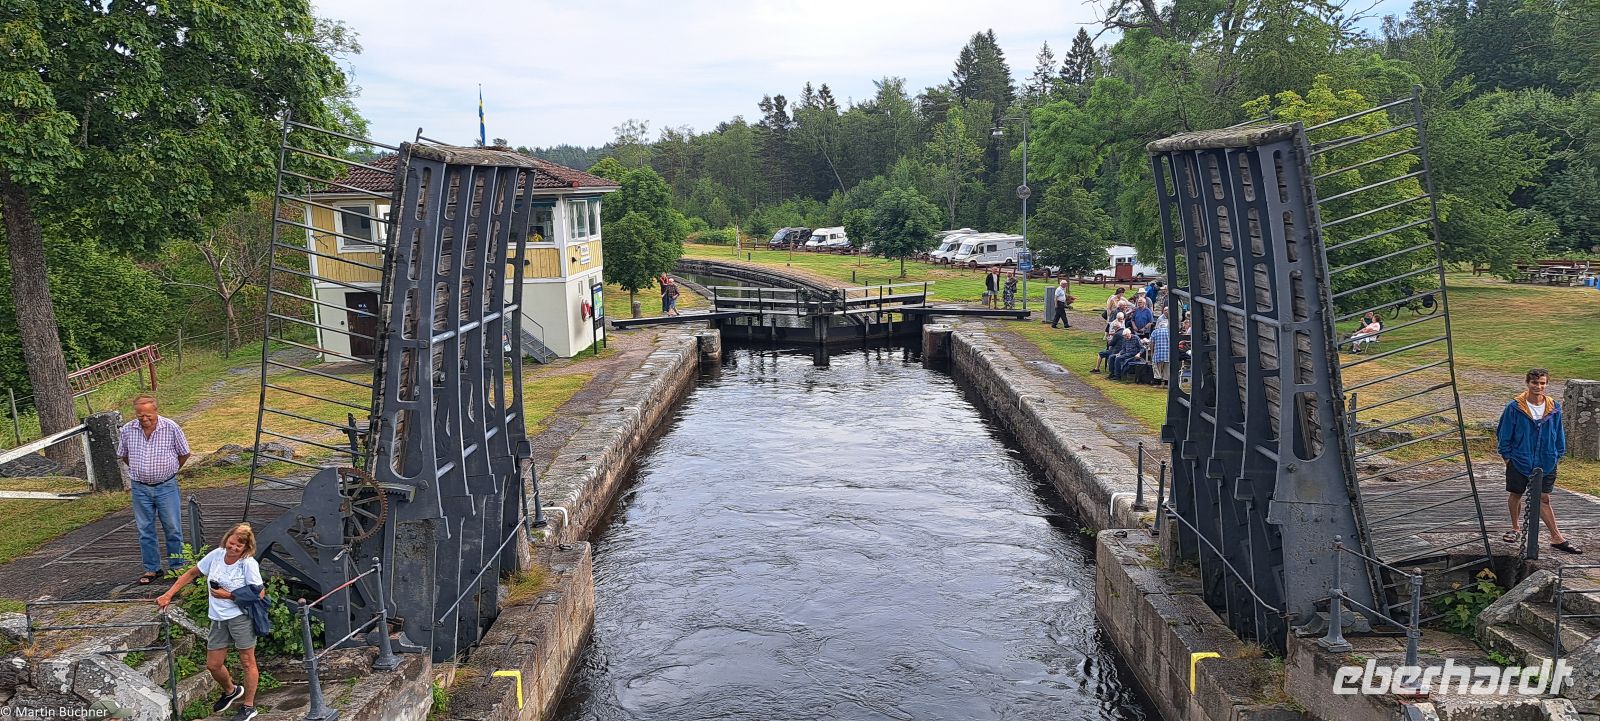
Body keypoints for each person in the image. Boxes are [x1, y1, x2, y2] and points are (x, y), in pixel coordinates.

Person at [156, 523, 265, 721]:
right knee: (213, 665)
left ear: (246, 548)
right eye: (231, 543)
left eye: (238, 547)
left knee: (248, 661)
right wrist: (169, 594)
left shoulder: (248, 563)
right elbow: (191, 573)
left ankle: (249, 706)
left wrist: (230, 595)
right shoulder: (216, 554)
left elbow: (260, 593)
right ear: (227, 539)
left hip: (240, 617)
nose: (233, 548)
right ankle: (231, 690)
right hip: (217, 618)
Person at [1498, 369, 1576, 553]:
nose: (1538, 386)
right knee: (1516, 493)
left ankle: (1556, 537)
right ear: (1527, 383)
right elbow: (1504, 433)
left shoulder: (1554, 407)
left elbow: (1559, 432)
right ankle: (1515, 527)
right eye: (1534, 383)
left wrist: (1558, 453)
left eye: (1542, 383)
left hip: (1546, 460)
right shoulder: (1515, 407)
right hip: (1519, 458)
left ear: (1546, 384)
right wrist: (1507, 457)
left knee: (1543, 497)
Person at [118, 394, 190, 586]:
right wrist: (140, 470)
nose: (144, 418)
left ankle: (177, 566)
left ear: (155, 411)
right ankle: (152, 568)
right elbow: (124, 455)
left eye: (148, 414)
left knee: (173, 527)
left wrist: (170, 470)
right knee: (145, 529)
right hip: (140, 487)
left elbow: (184, 453)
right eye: (140, 415)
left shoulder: (171, 427)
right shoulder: (127, 430)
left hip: (166, 485)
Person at [1150, 317, 1171, 386]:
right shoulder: (1170, 331)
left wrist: (1152, 352)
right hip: (1168, 354)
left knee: (1156, 368)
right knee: (1166, 369)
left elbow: (1152, 343)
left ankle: (1157, 383)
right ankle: (1166, 383)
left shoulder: (1155, 332)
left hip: (1158, 353)